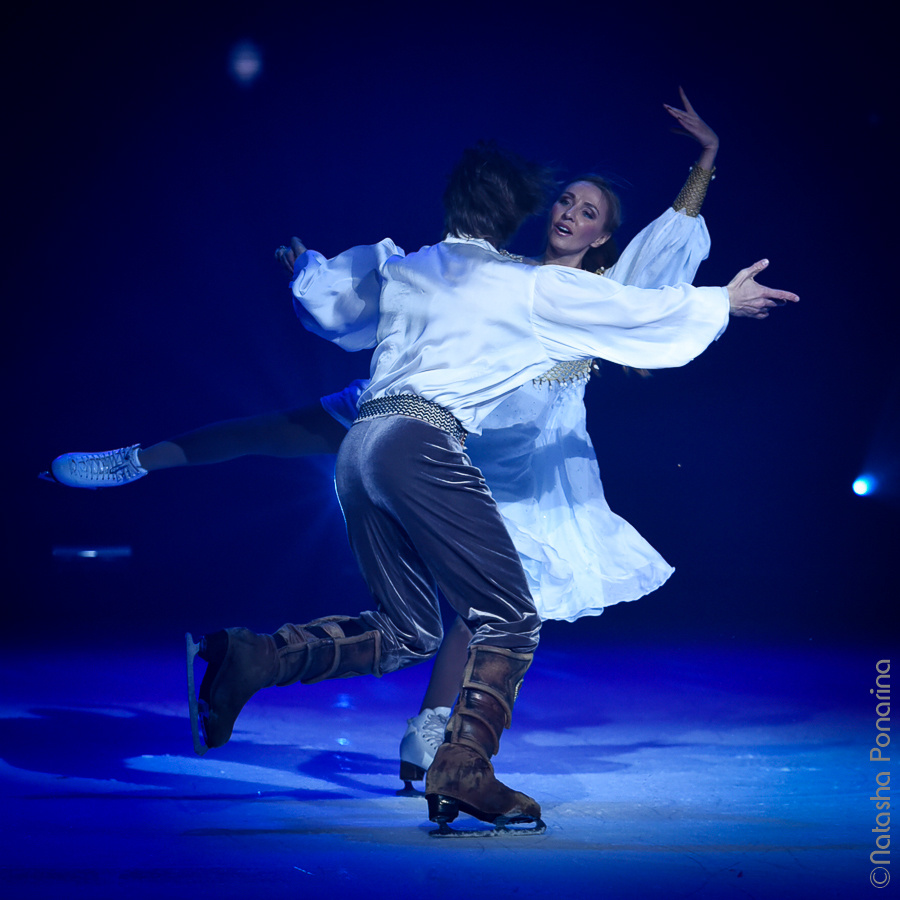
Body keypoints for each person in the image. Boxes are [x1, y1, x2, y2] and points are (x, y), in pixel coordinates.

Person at [186, 134, 796, 836]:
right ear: (523, 215)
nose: (569, 212)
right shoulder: (525, 283)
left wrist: (307, 271)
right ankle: (463, 767)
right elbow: (645, 317)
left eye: (586, 209)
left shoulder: (423, 266)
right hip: (429, 443)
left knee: (408, 629)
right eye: (562, 200)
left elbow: (340, 301)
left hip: (379, 445)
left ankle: (249, 657)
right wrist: (722, 302)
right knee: (510, 616)